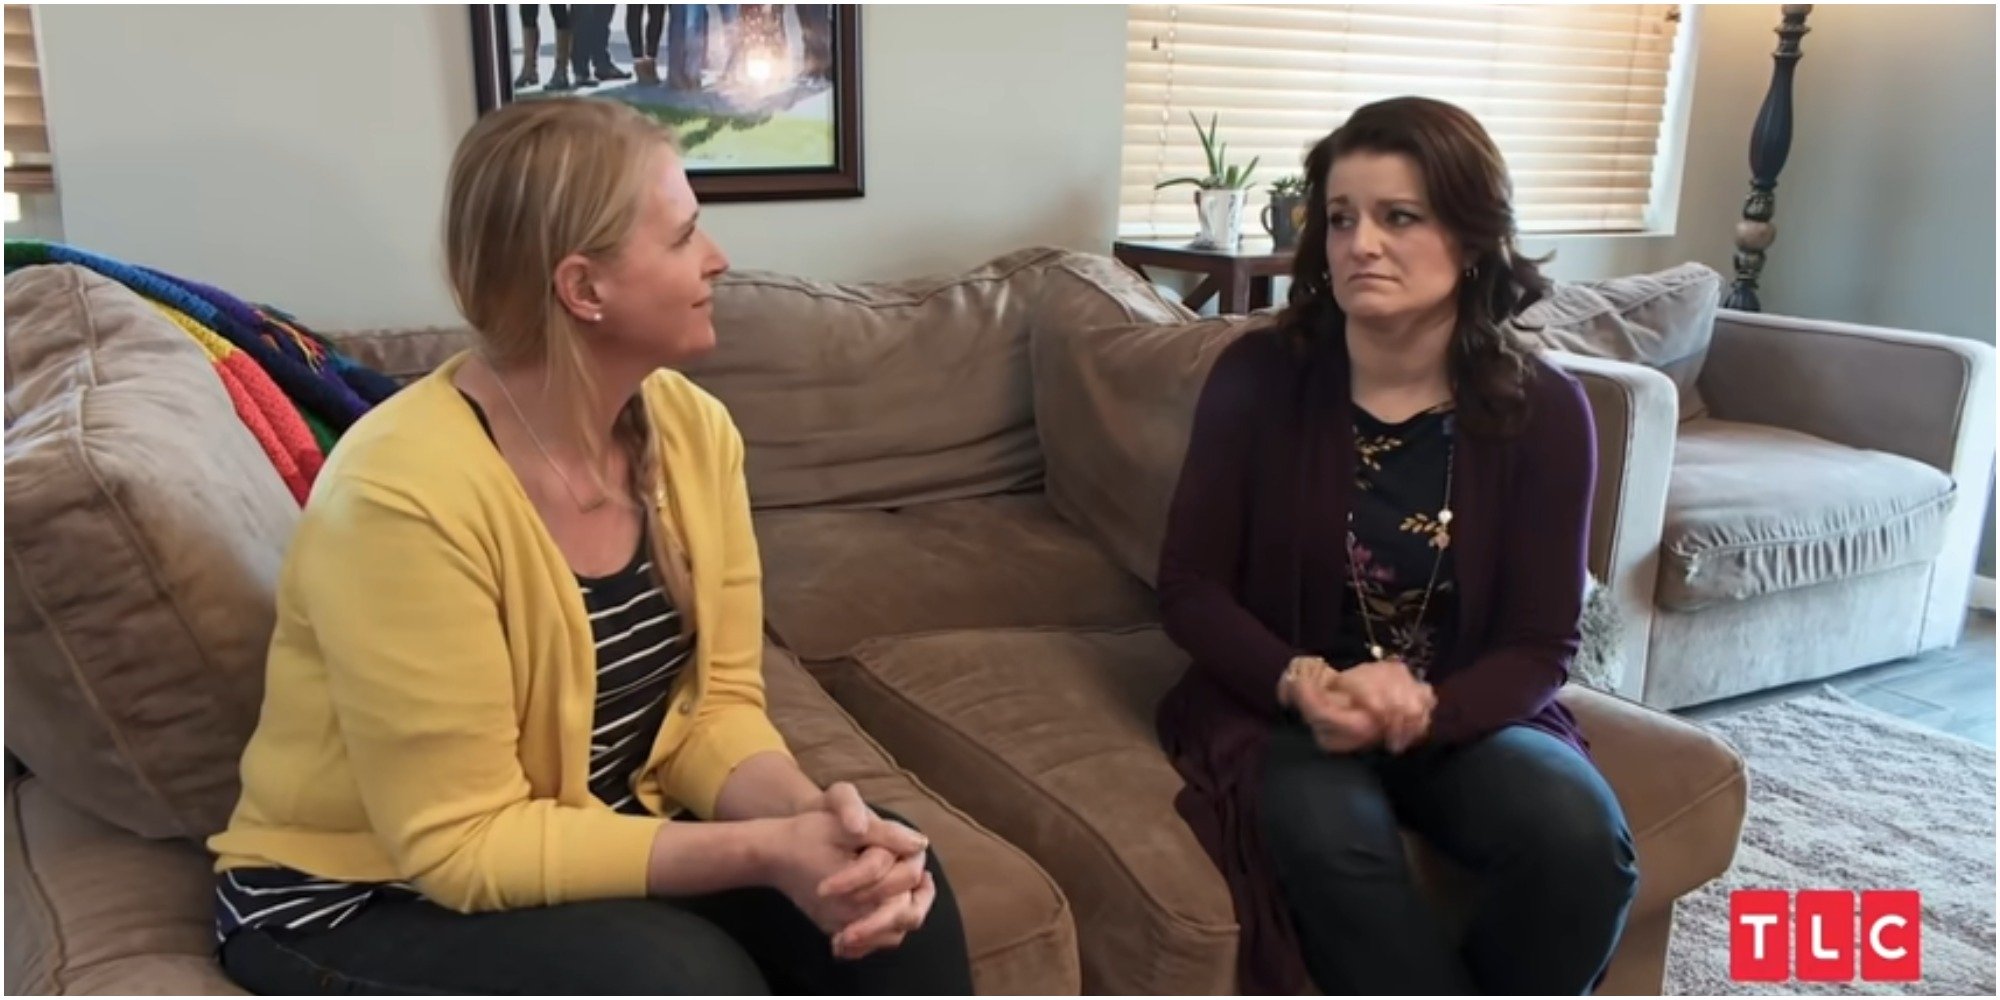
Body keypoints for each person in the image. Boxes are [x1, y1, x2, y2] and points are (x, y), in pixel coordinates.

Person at [206, 97, 974, 995]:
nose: (718, 258)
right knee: (684, 979)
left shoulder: (694, 431)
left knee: (900, 891)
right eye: (685, 235)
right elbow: (463, 845)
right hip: (359, 897)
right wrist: (764, 851)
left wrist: (818, 828)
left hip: (570, 828)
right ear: (583, 289)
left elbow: (714, 709)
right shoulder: (400, 497)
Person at [1154, 95, 1639, 996]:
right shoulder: (1258, 378)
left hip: (1464, 711)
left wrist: (1425, 712)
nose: (1359, 243)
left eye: (1398, 216)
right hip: (1282, 708)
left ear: (1470, 236)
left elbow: (1543, 643)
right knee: (1331, 842)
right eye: (1341, 219)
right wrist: (1305, 680)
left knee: (1581, 842)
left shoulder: (1547, 412)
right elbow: (1188, 587)